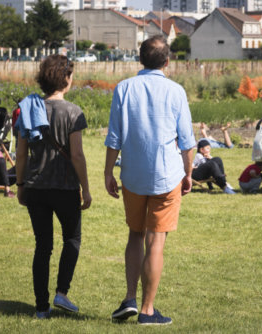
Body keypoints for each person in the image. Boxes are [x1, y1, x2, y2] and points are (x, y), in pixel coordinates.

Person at [105, 35, 196, 326]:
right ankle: (147, 310)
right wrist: (189, 172)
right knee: (156, 242)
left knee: (135, 234)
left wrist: (108, 172)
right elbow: (186, 140)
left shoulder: (124, 88)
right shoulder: (176, 91)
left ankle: (130, 298)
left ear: (140, 59)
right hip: (167, 174)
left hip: (132, 174)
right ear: (167, 61)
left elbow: (114, 137)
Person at [15, 55, 91, 319]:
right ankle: (62, 291)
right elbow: (78, 155)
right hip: (65, 187)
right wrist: (87, 188)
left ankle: (40, 307)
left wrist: (20, 185)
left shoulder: (27, 110)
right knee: (71, 239)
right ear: (66, 79)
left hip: (36, 187)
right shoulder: (73, 111)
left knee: (42, 246)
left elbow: (21, 155)